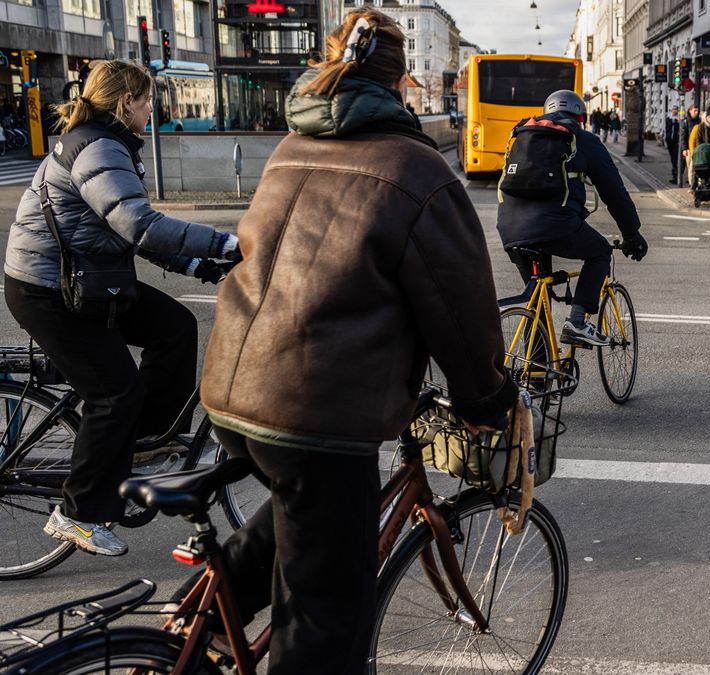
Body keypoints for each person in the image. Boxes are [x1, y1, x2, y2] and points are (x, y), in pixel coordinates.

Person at [200, 10, 525, 671]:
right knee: (328, 625)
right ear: (403, 81)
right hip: (312, 409)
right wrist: (486, 402)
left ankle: (204, 620)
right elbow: (461, 313)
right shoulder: (416, 171)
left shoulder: (291, 148)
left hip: (233, 386)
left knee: (303, 506)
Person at [4, 59, 239, 557]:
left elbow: (130, 232)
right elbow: (139, 224)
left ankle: (143, 444)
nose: (151, 108)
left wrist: (202, 266)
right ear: (125, 101)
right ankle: (78, 513)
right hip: (49, 290)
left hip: (89, 281)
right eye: (146, 98)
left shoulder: (106, 144)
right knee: (114, 394)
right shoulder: (97, 146)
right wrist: (226, 242)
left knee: (174, 326)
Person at [497, 89, 647, 345]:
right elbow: (614, 192)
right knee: (600, 251)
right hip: (555, 225)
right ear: (580, 118)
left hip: (510, 228)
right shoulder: (582, 139)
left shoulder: (521, 135)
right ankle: (577, 321)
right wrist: (631, 235)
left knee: (537, 300)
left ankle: (536, 377)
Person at [679, 104, 701, 186]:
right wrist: (684, 149)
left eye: (697, 111)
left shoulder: (700, 121)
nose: (696, 112)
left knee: (698, 167)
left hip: (698, 148)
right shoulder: (686, 122)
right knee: (690, 167)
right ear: (690, 111)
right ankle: (692, 185)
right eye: (695, 111)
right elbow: (683, 136)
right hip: (689, 149)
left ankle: (697, 184)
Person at [663, 111, 680, 183]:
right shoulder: (668, 119)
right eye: (673, 110)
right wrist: (664, 137)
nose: (674, 111)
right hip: (669, 140)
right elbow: (665, 128)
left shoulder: (679, 120)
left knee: (675, 158)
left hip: (677, 141)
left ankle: (675, 175)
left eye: (676, 110)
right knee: (672, 158)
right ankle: (675, 174)